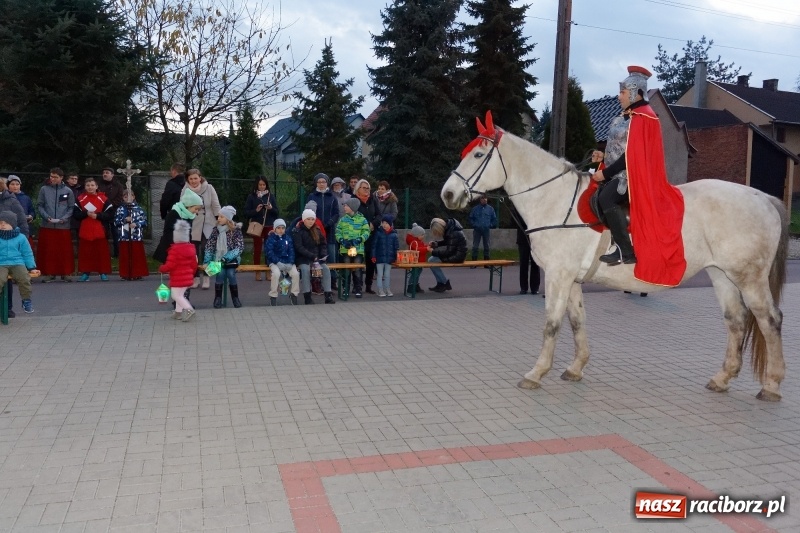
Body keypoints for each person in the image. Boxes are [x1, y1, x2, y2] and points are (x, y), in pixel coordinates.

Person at [590, 65, 686, 286]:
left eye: (623, 92)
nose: (619, 96)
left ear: (635, 92)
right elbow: (619, 150)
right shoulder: (625, 117)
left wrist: (605, 174)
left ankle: (626, 251)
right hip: (620, 172)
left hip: (633, 176)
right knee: (594, 196)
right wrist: (601, 156)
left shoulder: (645, 117)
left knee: (606, 198)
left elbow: (631, 156)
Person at [183, 168, 221, 290]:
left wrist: (220, 220)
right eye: (191, 179)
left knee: (207, 250)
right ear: (188, 180)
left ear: (200, 178)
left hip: (208, 223)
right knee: (193, 253)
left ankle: (206, 277)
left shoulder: (209, 188)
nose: (193, 181)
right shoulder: (185, 190)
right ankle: (195, 278)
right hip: (192, 224)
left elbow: (215, 205)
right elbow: (182, 207)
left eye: (195, 178)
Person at [37, 168, 75, 282]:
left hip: (63, 226)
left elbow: (71, 207)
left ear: (61, 178)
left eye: (55, 177)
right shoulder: (44, 189)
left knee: (64, 251)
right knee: (49, 251)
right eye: (51, 176)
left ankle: (66, 272)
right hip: (47, 225)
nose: (52, 179)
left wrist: (64, 218)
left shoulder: (68, 191)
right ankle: (49, 273)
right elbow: (40, 205)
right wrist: (46, 217)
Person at [203, 205, 244, 309]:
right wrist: (207, 261)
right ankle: (218, 298)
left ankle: (235, 298)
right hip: (218, 258)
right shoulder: (215, 231)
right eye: (219, 216)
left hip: (231, 259)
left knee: (230, 273)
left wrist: (226, 257)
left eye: (221, 216)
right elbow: (209, 246)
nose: (219, 218)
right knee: (220, 273)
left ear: (228, 219)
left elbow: (239, 247)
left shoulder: (235, 231)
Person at [73, 177, 114, 281]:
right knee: (86, 253)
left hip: (100, 230)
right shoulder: (80, 199)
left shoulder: (104, 199)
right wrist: (85, 213)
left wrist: (98, 216)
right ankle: (85, 273)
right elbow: (75, 214)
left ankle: (103, 273)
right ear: (85, 187)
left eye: (92, 185)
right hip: (85, 231)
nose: (90, 187)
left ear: (96, 186)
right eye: (88, 185)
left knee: (101, 253)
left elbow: (110, 214)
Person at [0, 211, 39, 314]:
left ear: (12, 224)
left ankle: (26, 300)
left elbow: (27, 253)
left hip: (17, 263)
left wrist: (31, 267)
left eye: (6, 223)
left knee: (24, 278)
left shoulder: (21, 237)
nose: (3, 225)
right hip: (1, 263)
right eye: (0, 223)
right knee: (0, 279)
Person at [158, 220, 197, 322]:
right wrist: (191, 274)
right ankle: (178, 313)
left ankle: (189, 310)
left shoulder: (174, 250)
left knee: (176, 295)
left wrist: (162, 268)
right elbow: (194, 264)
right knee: (180, 295)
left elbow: (170, 265)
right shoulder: (191, 249)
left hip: (177, 277)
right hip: (187, 277)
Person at [293, 209, 335, 305]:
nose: (311, 221)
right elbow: (299, 247)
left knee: (326, 269)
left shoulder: (317, 230)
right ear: (304, 220)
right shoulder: (298, 231)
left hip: (316, 258)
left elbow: (323, 244)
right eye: (309, 219)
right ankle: (307, 296)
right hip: (303, 258)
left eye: (313, 219)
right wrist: (312, 256)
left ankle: (328, 295)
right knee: (305, 270)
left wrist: (323, 255)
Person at [243, 176, 279, 281]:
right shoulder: (252, 197)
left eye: (264, 185)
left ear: (266, 185)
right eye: (260, 185)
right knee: (257, 249)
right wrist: (256, 210)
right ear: (257, 185)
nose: (262, 187)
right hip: (256, 226)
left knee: (269, 249)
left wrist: (271, 208)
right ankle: (257, 271)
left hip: (269, 225)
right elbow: (246, 212)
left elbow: (277, 212)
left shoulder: (270, 196)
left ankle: (268, 271)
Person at [335, 198, 370, 298]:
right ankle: (345, 288)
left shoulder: (362, 220)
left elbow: (366, 232)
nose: (344, 207)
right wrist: (341, 240)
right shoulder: (342, 220)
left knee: (357, 269)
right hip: (345, 249)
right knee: (346, 269)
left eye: (346, 206)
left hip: (358, 250)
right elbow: (337, 232)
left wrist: (359, 239)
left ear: (352, 207)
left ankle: (358, 288)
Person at [308, 173, 339, 283]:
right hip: (315, 230)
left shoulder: (332, 197)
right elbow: (308, 212)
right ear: (316, 183)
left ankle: (332, 280)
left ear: (327, 183)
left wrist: (329, 223)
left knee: (331, 255)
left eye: (323, 182)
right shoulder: (312, 196)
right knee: (317, 256)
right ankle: (317, 281)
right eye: (319, 182)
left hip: (329, 230)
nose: (321, 184)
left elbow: (336, 214)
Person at [354, 179, 382, 295]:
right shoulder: (354, 200)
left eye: (368, 188)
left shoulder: (373, 200)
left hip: (371, 234)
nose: (366, 190)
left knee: (371, 260)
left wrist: (373, 223)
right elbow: (352, 215)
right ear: (358, 189)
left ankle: (369, 285)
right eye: (364, 188)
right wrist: (363, 225)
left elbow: (379, 215)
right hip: (357, 235)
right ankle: (357, 286)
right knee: (357, 260)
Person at [115, 189, 149, 280]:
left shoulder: (139, 209)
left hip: (136, 236)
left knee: (137, 255)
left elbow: (145, 222)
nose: (128, 199)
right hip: (124, 236)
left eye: (130, 196)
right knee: (125, 255)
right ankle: (126, 273)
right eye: (125, 197)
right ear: (123, 198)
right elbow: (116, 222)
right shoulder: (120, 209)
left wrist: (137, 224)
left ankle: (137, 273)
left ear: (133, 197)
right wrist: (125, 220)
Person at [427, 217, 467, 292]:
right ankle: (442, 283)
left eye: (437, 232)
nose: (438, 234)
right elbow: (449, 242)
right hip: (456, 254)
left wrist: (433, 251)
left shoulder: (453, 233)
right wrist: (436, 244)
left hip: (457, 257)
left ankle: (444, 283)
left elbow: (449, 252)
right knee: (432, 260)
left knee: (432, 261)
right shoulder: (451, 229)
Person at [265, 219, 300, 306]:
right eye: (279, 228)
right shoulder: (271, 239)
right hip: (275, 262)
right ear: (275, 229)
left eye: (283, 228)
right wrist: (277, 262)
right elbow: (269, 252)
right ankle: (273, 295)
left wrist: (291, 262)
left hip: (288, 261)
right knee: (276, 274)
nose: (281, 230)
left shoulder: (288, 238)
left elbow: (291, 251)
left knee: (295, 274)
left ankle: (294, 294)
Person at [329, 177, 351, 290]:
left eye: (339, 184)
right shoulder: (330, 197)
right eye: (335, 184)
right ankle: (333, 281)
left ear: (343, 185)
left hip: (346, 231)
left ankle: (344, 282)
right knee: (334, 256)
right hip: (333, 229)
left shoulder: (348, 197)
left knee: (345, 256)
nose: (337, 185)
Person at [97, 168, 124, 258]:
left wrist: (110, 205)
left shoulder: (118, 185)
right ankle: (103, 253)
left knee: (116, 233)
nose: (105, 174)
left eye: (107, 173)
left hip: (114, 212)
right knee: (103, 233)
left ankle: (117, 254)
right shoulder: (99, 184)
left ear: (112, 175)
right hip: (102, 212)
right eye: (103, 172)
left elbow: (120, 197)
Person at [371, 214, 399, 297]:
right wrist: (373, 256)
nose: (384, 225)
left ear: (390, 224)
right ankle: (380, 290)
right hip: (379, 257)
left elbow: (396, 247)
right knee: (380, 275)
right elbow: (374, 245)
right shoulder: (378, 233)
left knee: (387, 275)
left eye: (386, 223)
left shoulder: (394, 235)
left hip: (389, 258)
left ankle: (387, 289)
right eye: (383, 223)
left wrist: (396, 257)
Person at [468, 194, 497, 264]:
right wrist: (474, 225)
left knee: (487, 246)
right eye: (483, 198)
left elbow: (494, 219)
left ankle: (486, 263)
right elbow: (470, 218)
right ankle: (474, 263)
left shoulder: (490, 209)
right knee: (475, 246)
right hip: (477, 230)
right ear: (480, 200)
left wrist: (490, 225)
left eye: (485, 198)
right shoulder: (475, 209)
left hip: (486, 230)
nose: (484, 200)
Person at [515, 216, 540, 295]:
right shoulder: (519, 209)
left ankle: (535, 288)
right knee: (523, 264)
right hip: (523, 239)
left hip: (534, 239)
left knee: (535, 264)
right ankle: (523, 288)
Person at [405, 223, 427, 294]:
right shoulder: (414, 242)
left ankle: (415, 285)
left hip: (419, 261)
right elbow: (418, 250)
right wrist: (427, 248)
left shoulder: (418, 241)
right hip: (415, 261)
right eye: (422, 235)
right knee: (415, 274)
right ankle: (411, 286)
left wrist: (427, 246)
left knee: (417, 274)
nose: (423, 236)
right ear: (417, 235)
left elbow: (422, 247)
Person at [65, 172, 83, 247]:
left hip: (78, 214)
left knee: (80, 236)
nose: (74, 180)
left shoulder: (81, 189)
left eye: (76, 179)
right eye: (72, 178)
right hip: (67, 214)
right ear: (67, 180)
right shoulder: (64, 189)